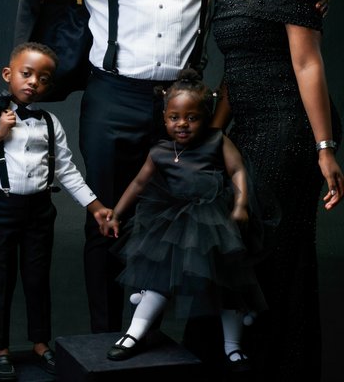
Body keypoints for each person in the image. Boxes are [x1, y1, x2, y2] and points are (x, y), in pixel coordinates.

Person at [13, 0, 333, 335]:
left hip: (183, 106)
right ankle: (104, 335)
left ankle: (154, 336)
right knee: (106, 216)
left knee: (175, 219)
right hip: (112, 98)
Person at [210, 0, 344, 381]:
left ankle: (282, 364)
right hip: (242, 128)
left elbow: (308, 64)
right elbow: (234, 70)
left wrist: (323, 148)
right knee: (238, 243)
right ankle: (236, 356)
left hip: (288, 125)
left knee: (278, 247)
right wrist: (210, 136)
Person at [0, 42, 113, 382]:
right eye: (26, 73)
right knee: (0, 279)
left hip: (40, 211)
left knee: (37, 279)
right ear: (8, 75)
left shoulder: (49, 122)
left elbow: (66, 170)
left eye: (43, 78)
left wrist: (96, 207)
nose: (34, 82)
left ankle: (39, 342)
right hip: (0, 208)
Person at [100, 68, 268, 374]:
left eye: (192, 118)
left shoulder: (217, 139)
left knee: (226, 285)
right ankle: (133, 333)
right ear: (164, 118)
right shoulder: (160, 151)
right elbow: (138, 184)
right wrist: (116, 213)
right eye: (175, 117)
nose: (183, 124)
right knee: (159, 280)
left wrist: (241, 203)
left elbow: (238, 171)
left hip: (213, 221)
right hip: (173, 222)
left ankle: (232, 346)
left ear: (205, 117)